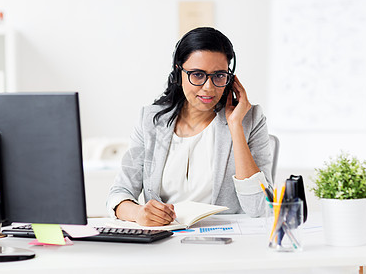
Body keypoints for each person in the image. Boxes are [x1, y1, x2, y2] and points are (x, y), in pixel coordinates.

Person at [107, 27, 273, 226]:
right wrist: (139, 213)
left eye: (219, 75)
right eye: (197, 74)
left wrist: (235, 127)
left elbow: (260, 208)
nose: (209, 87)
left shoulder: (249, 119)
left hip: (224, 243)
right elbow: (119, 193)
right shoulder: (150, 120)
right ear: (179, 73)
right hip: (165, 241)